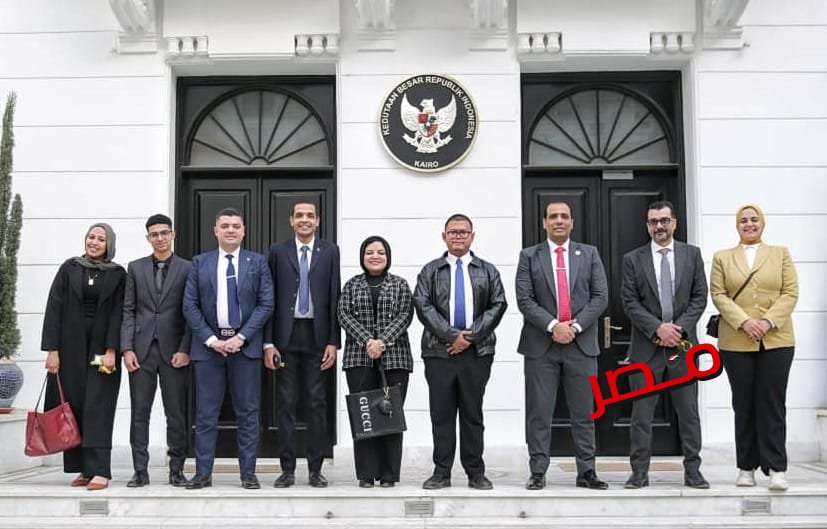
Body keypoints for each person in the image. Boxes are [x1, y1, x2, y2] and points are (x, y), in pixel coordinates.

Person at [515, 202, 608, 491]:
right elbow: (525, 299)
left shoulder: (589, 254)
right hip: (541, 346)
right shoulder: (529, 256)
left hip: (581, 346)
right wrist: (554, 326)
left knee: (584, 413)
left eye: (564, 216)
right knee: (539, 413)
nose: (559, 221)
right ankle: (538, 471)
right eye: (553, 216)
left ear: (572, 222)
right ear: (544, 222)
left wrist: (574, 327)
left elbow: (600, 296)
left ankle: (587, 471)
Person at [413, 213, 507, 491]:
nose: (458, 236)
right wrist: (452, 336)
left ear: (472, 236)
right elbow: (423, 305)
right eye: (452, 232)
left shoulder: (488, 271)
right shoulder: (430, 271)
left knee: (472, 414)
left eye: (463, 232)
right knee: (441, 415)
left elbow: (498, 305)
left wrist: (469, 337)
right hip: (439, 352)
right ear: (444, 237)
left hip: (477, 353)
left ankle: (475, 472)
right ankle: (441, 472)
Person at [182, 207, 274, 490]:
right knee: (206, 414)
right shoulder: (200, 263)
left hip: (245, 349)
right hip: (209, 350)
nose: (231, 230)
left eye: (236, 226)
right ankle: (203, 473)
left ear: (243, 231)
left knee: (248, 413)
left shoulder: (257, 262)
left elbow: (266, 304)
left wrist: (241, 337)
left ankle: (248, 473)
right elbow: (190, 305)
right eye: (225, 226)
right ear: (216, 231)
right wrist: (212, 340)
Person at [621, 200, 709, 489]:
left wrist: (678, 329)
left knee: (688, 412)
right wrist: (657, 328)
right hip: (646, 348)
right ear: (647, 226)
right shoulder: (633, 259)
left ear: (674, 223)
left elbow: (699, 297)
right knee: (641, 414)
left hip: (682, 347)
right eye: (653, 221)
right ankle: (639, 472)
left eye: (664, 220)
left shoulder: (692, 255)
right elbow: (629, 302)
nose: (659, 226)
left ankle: (693, 470)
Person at [711, 203, 798, 491]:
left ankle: (776, 468)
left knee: (772, 403)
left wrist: (768, 321)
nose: (749, 224)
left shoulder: (780, 254)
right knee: (744, 403)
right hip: (736, 341)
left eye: (753, 219)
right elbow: (719, 294)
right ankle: (746, 466)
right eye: (743, 221)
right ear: (737, 226)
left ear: (762, 222)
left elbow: (790, 292)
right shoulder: (722, 257)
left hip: (777, 339)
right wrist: (745, 321)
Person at [42, 223, 126, 491]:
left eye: (101, 239)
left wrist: (113, 350)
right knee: (73, 405)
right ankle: (82, 469)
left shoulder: (118, 274)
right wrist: (52, 350)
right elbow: (54, 308)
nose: (95, 242)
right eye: (91, 237)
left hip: (102, 348)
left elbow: (119, 313)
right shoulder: (70, 268)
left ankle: (100, 470)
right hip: (70, 347)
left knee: (99, 407)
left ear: (109, 244)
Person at [264, 201, 341, 488]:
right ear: (291, 220)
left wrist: (333, 341)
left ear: (318, 221)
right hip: (286, 337)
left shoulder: (330, 251)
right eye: (299, 215)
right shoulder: (278, 251)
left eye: (310, 216)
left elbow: (334, 295)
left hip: (317, 337)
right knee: (286, 403)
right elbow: (268, 297)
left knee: (316, 404)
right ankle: (287, 469)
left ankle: (315, 469)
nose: (304, 220)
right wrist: (268, 342)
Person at [120, 214, 192, 488]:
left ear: (173, 234)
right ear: (148, 238)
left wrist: (185, 348)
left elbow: (191, 312)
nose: (160, 238)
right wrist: (126, 348)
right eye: (154, 234)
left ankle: (177, 470)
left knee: (176, 414)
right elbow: (128, 310)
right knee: (140, 413)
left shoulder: (187, 268)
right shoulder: (135, 268)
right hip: (141, 351)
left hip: (175, 353)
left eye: (164, 233)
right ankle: (140, 470)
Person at [338, 236, 414, 488]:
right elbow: (343, 315)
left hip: (395, 359)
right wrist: (367, 341)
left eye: (381, 252)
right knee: (364, 415)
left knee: (390, 415)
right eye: (369, 252)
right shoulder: (351, 285)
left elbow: (405, 315)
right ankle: (366, 474)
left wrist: (382, 342)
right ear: (362, 256)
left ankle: (389, 474)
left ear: (388, 256)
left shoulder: (400, 284)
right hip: (358, 359)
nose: (375, 256)